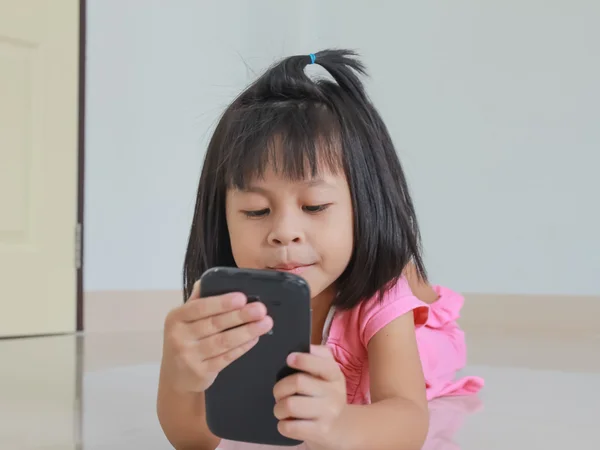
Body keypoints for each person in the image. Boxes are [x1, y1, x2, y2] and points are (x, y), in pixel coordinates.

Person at [157, 49, 483, 450]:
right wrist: (180, 377)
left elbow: (409, 418)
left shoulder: (379, 298)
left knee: (406, 301)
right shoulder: (229, 302)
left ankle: (418, 291)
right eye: (256, 210)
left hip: (412, 336)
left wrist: (340, 425)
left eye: (314, 206)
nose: (285, 233)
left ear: (364, 204)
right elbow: (194, 441)